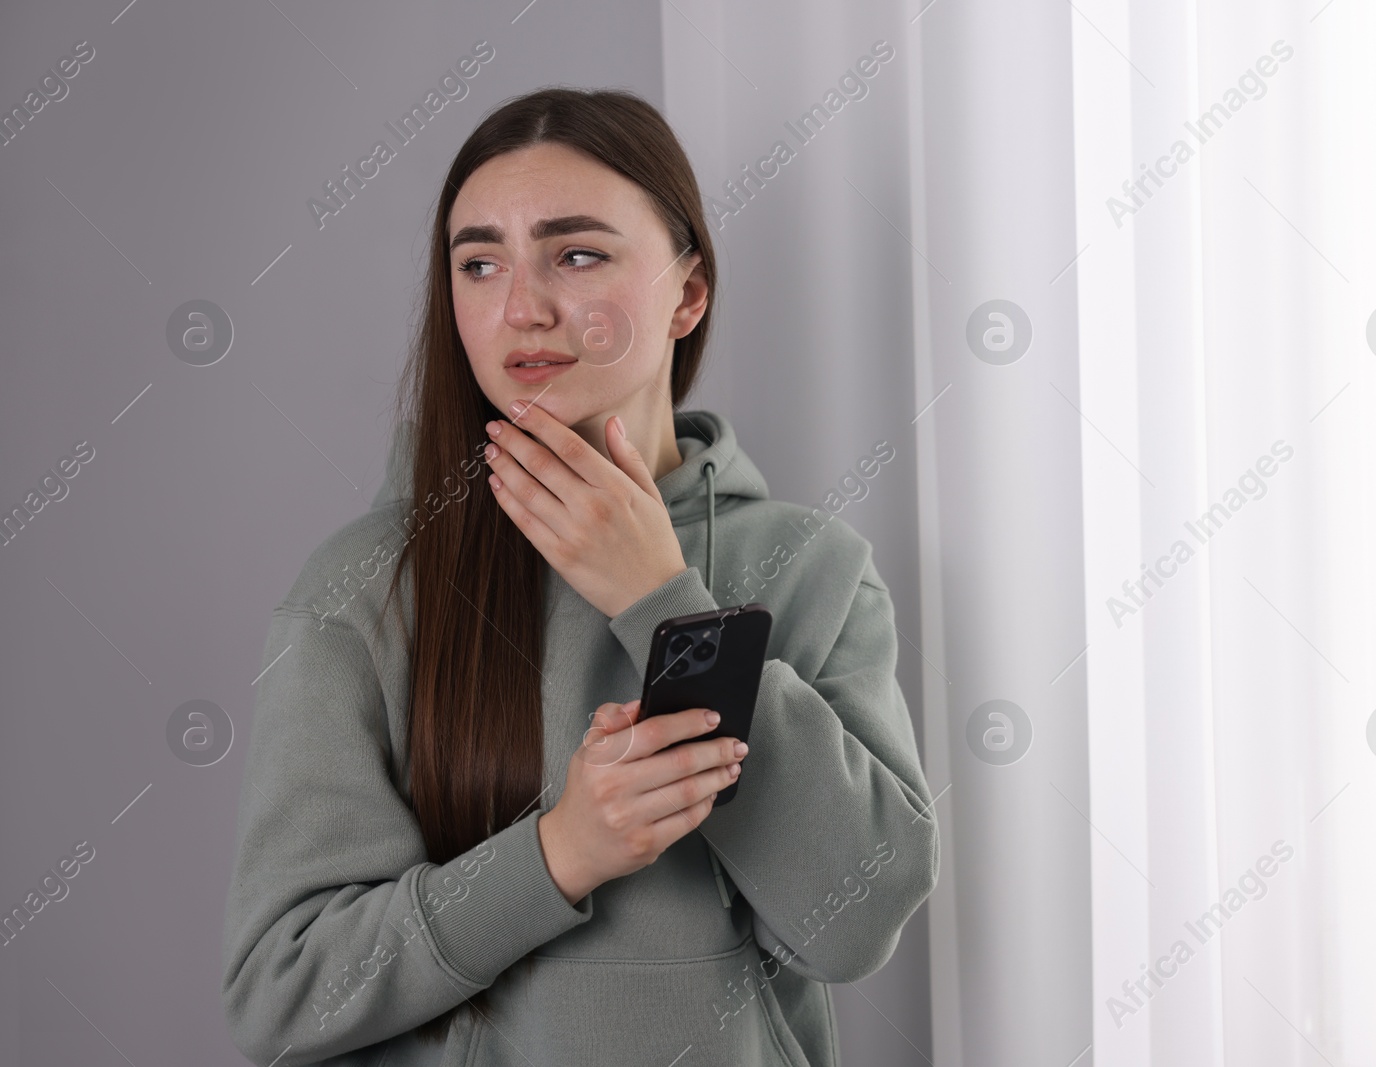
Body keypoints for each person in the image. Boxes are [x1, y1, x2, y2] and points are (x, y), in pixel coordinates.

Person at [219, 86, 939, 1066]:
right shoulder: (363, 587)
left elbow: (855, 922)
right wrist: (560, 851)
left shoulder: (811, 570)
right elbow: (283, 992)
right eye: (480, 262)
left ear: (688, 293)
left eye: (577, 253)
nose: (522, 306)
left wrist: (663, 602)